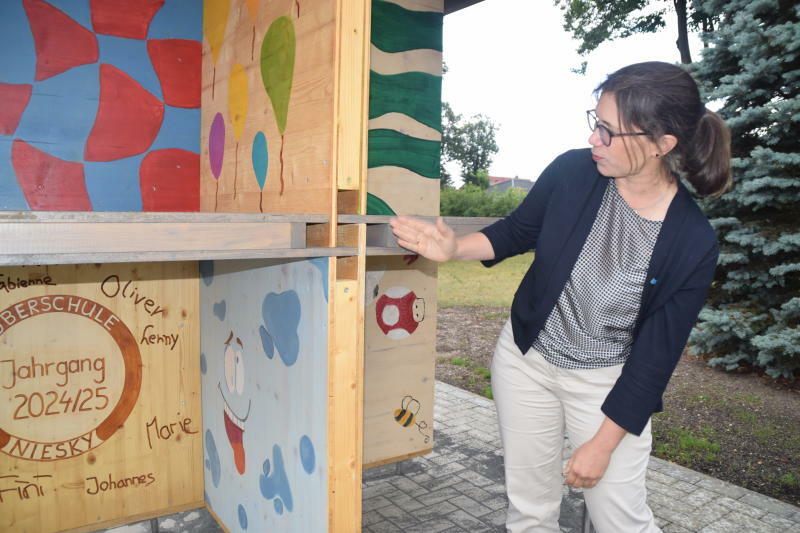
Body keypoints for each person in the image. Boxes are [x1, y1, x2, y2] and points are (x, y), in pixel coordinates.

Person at [389, 61, 731, 533]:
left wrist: (601, 445)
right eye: (595, 122)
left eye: (609, 132)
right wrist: (453, 249)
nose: (595, 139)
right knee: (529, 512)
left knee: (620, 521)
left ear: (661, 144)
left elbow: (655, 359)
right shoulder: (574, 171)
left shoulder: (692, 242)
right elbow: (516, 232)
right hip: (526, 362)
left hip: (606, 384)